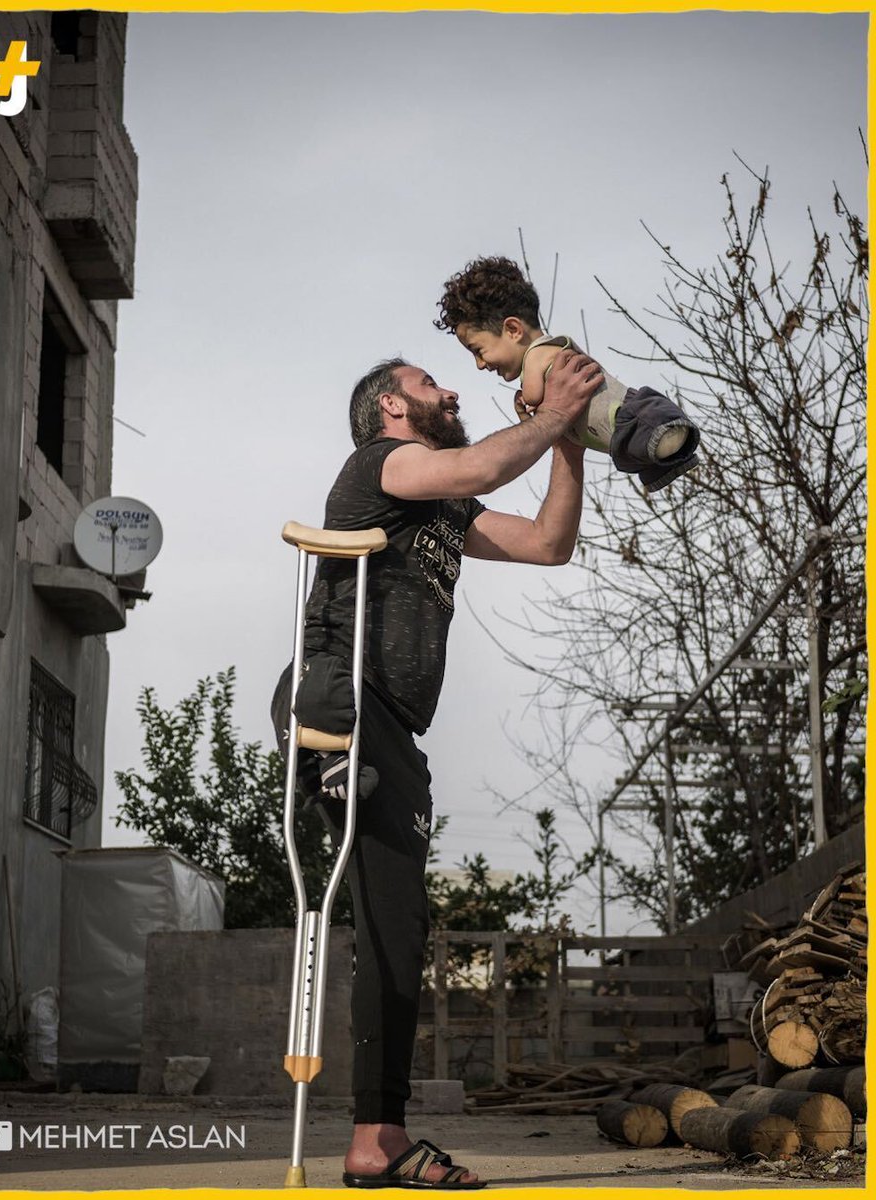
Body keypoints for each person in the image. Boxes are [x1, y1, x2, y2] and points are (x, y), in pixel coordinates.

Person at [271, 348, 602, 1188]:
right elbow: (488, 458)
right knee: (340, 739)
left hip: (396, 737)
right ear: (390, 406)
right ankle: (332, 762)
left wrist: (571, 444)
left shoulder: (446, 505)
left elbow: (547, 543)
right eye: (429, 384)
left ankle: (375, 1142)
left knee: (396, 930)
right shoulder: (384, 463)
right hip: (341, 692)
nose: (449, 389)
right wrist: (551, 412)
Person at [435, 255, 700, 492]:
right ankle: (670, 450)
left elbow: (534, 396)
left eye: (478, 350)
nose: (480, 364)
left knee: (644, 433)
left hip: (627, 417)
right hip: (620, 433)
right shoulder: (555, 351)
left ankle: (667, 437)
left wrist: (526, 407)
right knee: (649, 451)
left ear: (513, 330)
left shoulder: (539, 354)